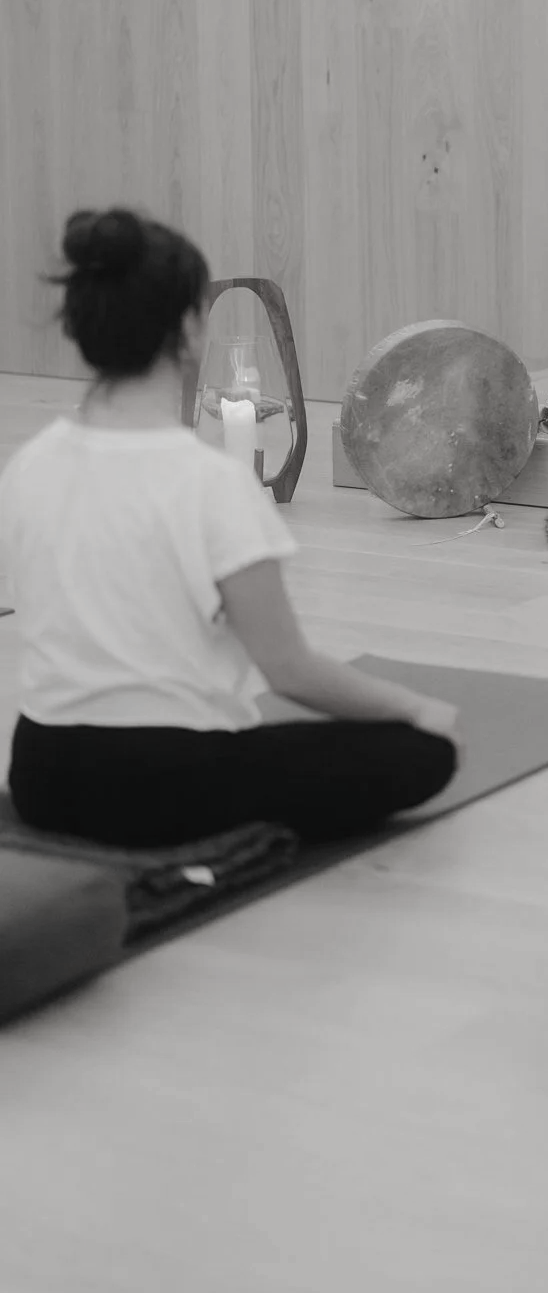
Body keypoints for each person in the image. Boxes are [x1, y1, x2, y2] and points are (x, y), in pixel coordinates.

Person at [0, 209, 459, 850]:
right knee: (421, 754)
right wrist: (414, 707)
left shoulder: (28, 464)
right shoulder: (210, 482)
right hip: (161, 782)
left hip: (39, 774)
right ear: (189, 329)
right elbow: (288, 669)